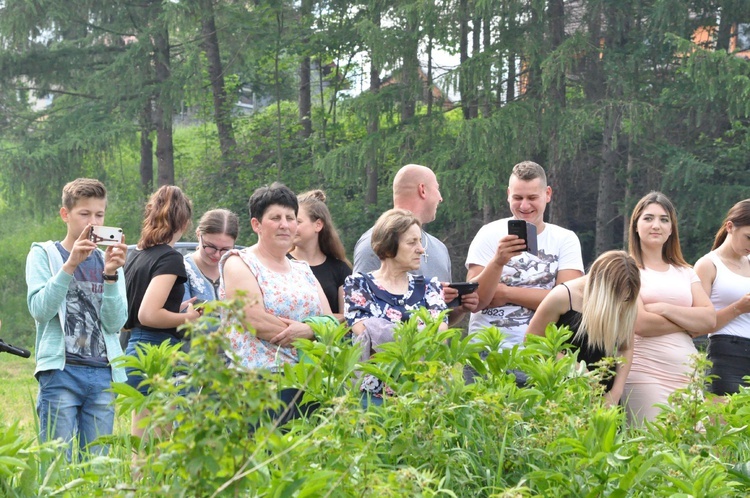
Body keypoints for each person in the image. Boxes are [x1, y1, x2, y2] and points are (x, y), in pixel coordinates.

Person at [26, 178, 128, 456]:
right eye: (84, 214)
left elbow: (115, 323)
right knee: (57, 463)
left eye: (99, 215)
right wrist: (70, 264)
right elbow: (40, 310)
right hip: (61, 371)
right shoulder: (44, 254)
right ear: (65, 214)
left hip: (102, 373)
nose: (92, 222)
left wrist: (110, 275)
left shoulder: (108, 261)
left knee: (96, 466)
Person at [220, 182, 332, 422]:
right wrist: (311, 335)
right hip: (261, 384)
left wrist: (309, 329)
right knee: (266, 457)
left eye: (290, 218)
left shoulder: (303, 270)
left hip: (310, 381)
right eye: (275, 217)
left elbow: (330, 319)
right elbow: (255, 320)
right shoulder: (239, 262)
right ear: (256, 225)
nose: (284, 225)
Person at [467, 161, 584, 349]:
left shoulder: (565, 239)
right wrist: (498, 262)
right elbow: (474, 301)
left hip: (541, 355)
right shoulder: (488, 234)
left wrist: (506, 293)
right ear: (508, 195)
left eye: (532, 197)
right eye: (517, 197)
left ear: (548, 194)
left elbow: (569, 303)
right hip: (487, 352)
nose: (524, 205)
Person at [622, 191, 715, 425]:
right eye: (648, 218)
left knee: (694, 452)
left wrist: (663, 308)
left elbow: (709, 320)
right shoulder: (626, 270)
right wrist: (688, 323)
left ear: (672, 229)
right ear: (635, 225)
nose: (657, 225)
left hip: (687, 376)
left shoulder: (685, 271)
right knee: (655, 449)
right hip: (645, 373)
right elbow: (641, 324)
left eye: (664, 220)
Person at [345, 209, 449, 405]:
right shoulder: (358, 284)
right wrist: (417, 337)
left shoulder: (429, 286)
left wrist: (382, 331)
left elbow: (439, 334)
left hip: (423, 394)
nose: (421, 249)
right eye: (412, 242)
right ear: (388, 245)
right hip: (372, 398)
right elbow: (362, 330)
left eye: (420, 241)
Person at [353, 164, 478, 324]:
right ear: (423, 190)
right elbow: (364, 320)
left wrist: (460, 307)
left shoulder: (439, 248)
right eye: (437, 189)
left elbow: (441, 322)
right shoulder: (374, 243)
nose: (440, 198)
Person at [124, 185, 200, 439]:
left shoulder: (138, 254)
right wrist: (188, 317)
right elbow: (148, 314)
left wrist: (174, 309)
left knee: (141, 440)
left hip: (135, 347)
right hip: (156, 351)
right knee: (158, 441)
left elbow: (136, 310)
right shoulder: (170, 258)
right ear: (185, 222)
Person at [526, 250, 640, 406]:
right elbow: (532, 342)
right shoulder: (563, 296)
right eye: (614, 299)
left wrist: (615, 393)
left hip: (603, 396)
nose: (619, 305)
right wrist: (574, 368)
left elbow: (625, 348)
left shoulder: (627, 297)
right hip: (559, 392)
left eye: (625, 300)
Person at [695, 199, 750, 396]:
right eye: (748, 237)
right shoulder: (708, 265)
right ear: (730, 227)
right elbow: (696, 327)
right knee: (724, 425)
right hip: (727, 354)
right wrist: (738, 308)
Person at [289, 190, 351, 320]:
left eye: (298, 222)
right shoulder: (282, 263)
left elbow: (350, 317)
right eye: (290, 221)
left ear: (318, 225)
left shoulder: (340, 269)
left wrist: (312, 324)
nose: (291, 227)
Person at [183, 209, 239, 338]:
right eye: (210, 247)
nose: (217, 254)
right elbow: (184, 325)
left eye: (225, 249)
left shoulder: (238, 270)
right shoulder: (183, 269)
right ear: (198, 234)